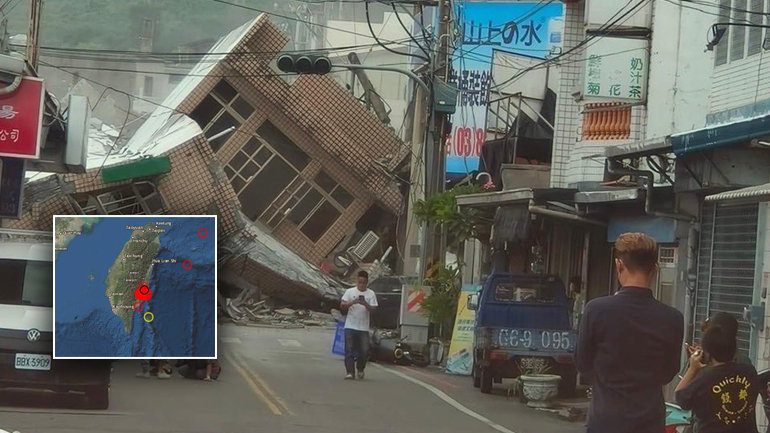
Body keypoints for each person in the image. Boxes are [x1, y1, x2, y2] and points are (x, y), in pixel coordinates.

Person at [575, 232, 684, 433]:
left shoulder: (596, 310)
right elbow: (669, 372)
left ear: (619, 266)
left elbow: (583, 363)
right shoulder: (672, 318)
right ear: (655, 270)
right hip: (649, 421)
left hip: (606, 420)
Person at [675, 324, 759, 433]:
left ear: (707, 354)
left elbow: (680, 398)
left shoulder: (704, 380)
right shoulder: (750, 372)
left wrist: (692, 368)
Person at [340, 270, 378, 380]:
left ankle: (360, 368)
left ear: (367, 282)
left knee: (364, 350)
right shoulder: (350, 292)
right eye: (360, 282)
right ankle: (350, 372)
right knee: (349, 349)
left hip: (363, 327)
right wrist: (353, 302)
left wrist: (365, 304)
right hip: (350, 325)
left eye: (364, 283)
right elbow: (342, 305)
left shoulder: (371, 294)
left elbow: (374, 310)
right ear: (357, 281)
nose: (361, 285)